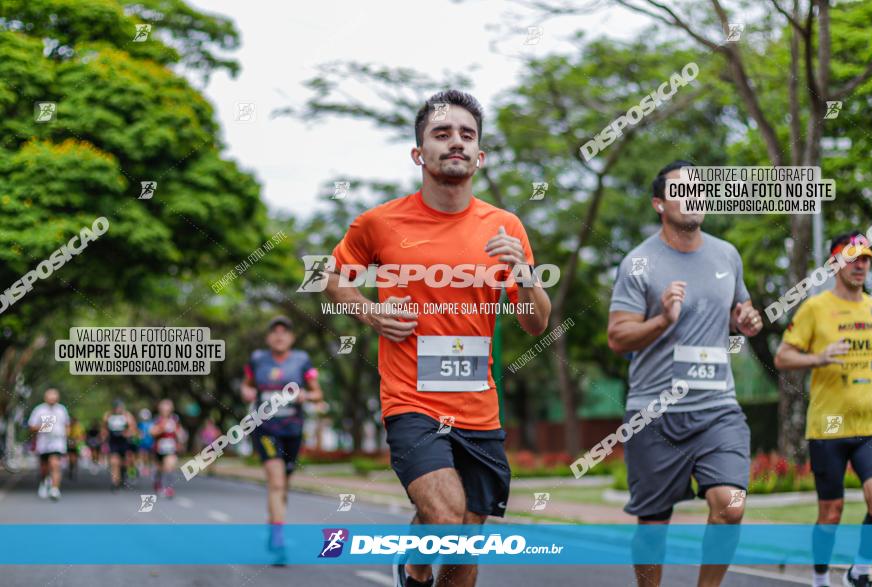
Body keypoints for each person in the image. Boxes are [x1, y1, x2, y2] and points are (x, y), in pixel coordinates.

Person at [324, 89, 550, 587]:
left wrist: (526, 274)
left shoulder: (505, 227)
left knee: (467, 539)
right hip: (412, 402)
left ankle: (413, 563)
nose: (456, 143)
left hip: (478, 406)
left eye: (467, 135)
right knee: (448, 520)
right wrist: (373, 314)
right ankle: (417, 561)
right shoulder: (380, 223)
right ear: (419, 152)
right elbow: (333, 278)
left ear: (480, 155)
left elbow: (535, 324)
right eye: (442, 134)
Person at [606, 160, 763, 587]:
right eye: (681, 188)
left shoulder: (727, 254)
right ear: (659, 203)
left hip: (717, 408)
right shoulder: (638, 263)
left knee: (730, 507)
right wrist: (662, 320)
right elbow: (618, 338)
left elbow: (737, 312)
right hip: (654, 412)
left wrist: (746, 320)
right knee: (653, 526)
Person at [774, 231, 872, 587]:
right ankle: (820, 579)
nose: (861, 264)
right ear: (835, 263)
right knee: (830, 513)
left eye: (866, 258)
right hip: (830, 425)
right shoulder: (815, 308)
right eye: (853, 258)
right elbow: (782, 356)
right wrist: (819, 357)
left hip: (871, 424)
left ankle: (860, 571)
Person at [240, 315, 325, 554]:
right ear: (268, 338)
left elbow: (318, 394)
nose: (279, 335)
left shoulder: (302, 360)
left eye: (284, 331)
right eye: (275, 332)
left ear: (291, 337)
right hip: (265, 428)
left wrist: (305, 396)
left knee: (284, 484)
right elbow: (246, 384)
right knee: (276, 481)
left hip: (293, 430)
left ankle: (273, 524)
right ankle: (278, 540)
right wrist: (246, 392)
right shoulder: (258, 360)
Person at [27, 388, 70, 500]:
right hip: (43, 443)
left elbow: (67, 425)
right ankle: (44, 482)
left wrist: (67, 436)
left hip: (58, 443)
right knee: (44, 467)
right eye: (50, 397)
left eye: (54, 397)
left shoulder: (62, 410)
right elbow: (31, 426)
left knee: (55, 464)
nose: (52, 400)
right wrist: (44, 427)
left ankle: (55, 489)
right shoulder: (39, 410)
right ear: (46, 398)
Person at [150, 399, 184, 498]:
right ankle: (157, 482)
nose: (166, 411)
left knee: (169, 466)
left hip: (171, 449)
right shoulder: (157, 420)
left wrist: (179, 435)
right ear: (160, 409)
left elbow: (180, 433)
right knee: (159, 469)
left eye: (168, 409)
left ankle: (169, 488)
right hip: (158, 449)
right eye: (164, 409)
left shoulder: (175, 420)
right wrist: (161, 428)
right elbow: (152, 432)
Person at [102, 399, 137, 490]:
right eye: (116, 407)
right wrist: (104, 437)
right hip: (113, 441)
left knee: (125, 462)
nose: (118, 409)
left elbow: (133, 428)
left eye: (120, 407)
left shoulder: (127, 415)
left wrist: (127, 433)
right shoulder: (108, 415)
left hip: (125, 442)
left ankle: (126, 475)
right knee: (114, 462)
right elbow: (104, 428)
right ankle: (115, 482)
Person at [66, 416, 85, 481]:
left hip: (76, 445)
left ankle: (74, 469)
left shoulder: (78, 427)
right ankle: (71, 469)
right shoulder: (68, 427)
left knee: (74, 459)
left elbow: (81, 436)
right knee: (70, 459)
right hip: (70, 444)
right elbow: (66, 435)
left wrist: (77, 442)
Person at [137, 408, 154, 476]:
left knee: (149, 455)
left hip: (149, 442)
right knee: (142, 454)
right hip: (142, 442)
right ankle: (143, 467)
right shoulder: (140, 424)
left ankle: (149, 467)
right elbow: (138, 432)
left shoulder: (151, 423)